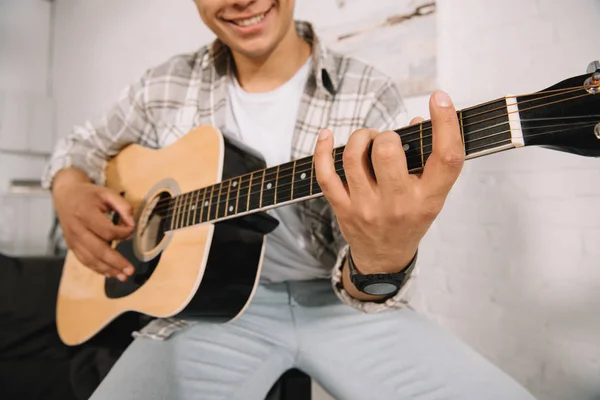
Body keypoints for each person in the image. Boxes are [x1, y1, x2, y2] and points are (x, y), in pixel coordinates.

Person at [42, 0, 537, 399]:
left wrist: (383, 260)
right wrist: (68, 188)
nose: (240, 2)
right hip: (206, 311)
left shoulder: (365, 89)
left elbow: (369, 285)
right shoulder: (165, 83)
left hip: (339, 307)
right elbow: (81, 146)